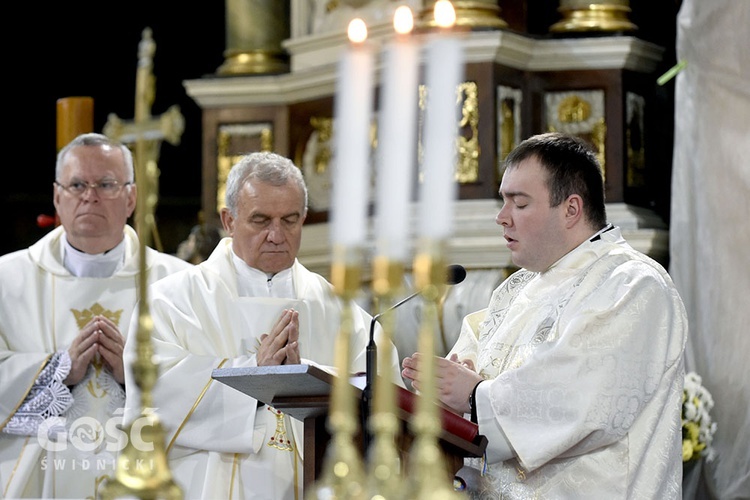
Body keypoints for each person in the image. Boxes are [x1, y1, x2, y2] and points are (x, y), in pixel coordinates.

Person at [402, 132, 688, 499]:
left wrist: (474, 395)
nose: (501, 218)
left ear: (571, 209)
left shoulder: (633, 285)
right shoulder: (515, 288)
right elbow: (468, 373)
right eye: (503, 202)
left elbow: (580, 400)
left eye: (519, 204)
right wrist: (444, 386)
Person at [122, 151, 403, 499]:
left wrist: (310, 380)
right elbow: (150, 400)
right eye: (260, 220)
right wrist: (254, 373)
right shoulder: (171, 301)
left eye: (290, 220)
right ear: (228, 220)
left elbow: (385, 398)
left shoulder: (340, 310)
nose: (276, 235)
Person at [0, 132, 192, 498]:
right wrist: (57, 370)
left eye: (106, 184)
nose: (90, 196)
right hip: (42, 476)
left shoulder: (178, 281)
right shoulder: (7, 280)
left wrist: (135, 374)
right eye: (77, 185)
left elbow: (204, 386)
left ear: (132, 197)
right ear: (57, 196)